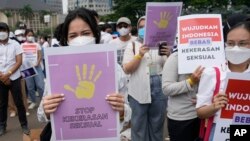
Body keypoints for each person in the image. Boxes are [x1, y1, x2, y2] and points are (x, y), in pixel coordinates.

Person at [37, 8, 131, 140]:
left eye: (86, 33)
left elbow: (127, 113)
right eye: (73, 35)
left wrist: (121, 110)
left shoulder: (113, 69)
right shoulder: (56, 70)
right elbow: (41, 115)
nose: (80, 39)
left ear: (95, 35)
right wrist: (46, 109)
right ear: (66, 39)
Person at [196, 21, 250, 141]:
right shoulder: (212, 73)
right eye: (230, 43)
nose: (236, 48)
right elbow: (200, 112)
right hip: (219, 131)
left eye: (242, 43)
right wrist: (215, 106)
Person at [123, 16, 170, 141]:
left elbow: (169, 68)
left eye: (146, 26)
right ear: (137, 29)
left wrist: (169, 54)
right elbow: (127, 69)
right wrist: (139, 55)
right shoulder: (132, 45)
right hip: (138, 91)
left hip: (159, 90)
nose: (143, 29)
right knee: (138, 126)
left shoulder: (161, 44)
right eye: (141, 27)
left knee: (157, 125)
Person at [162, 38, 204, 141]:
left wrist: (204, 99)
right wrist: (190, 81)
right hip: (181, 118)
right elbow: (166, 89)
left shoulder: (208, 58)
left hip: (203, 115)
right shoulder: (175, 58)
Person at [0, 22, 30, 136]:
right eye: (0, 31)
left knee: (19, 102)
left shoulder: (15, 44)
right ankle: (2, 125)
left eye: (3, 30)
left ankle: (24, 125)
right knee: (2, 104)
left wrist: (8, 74)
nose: (1, 33)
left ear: (8, 32)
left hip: (14, 77)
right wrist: (2, 76)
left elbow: (19, 61)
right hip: (1, 78)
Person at [21, 29, 45, 109]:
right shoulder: (22, 46)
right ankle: (33, 101)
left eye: (32, 35)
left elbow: (40, 55)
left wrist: (37, 62)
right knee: (30, 86)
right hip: (27, 68)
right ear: (25, 36)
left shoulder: (37, 45)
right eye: (29, 35)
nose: (30, 37)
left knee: (40, 85)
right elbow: (21, 57)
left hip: (37, 67)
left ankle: (43, 101)